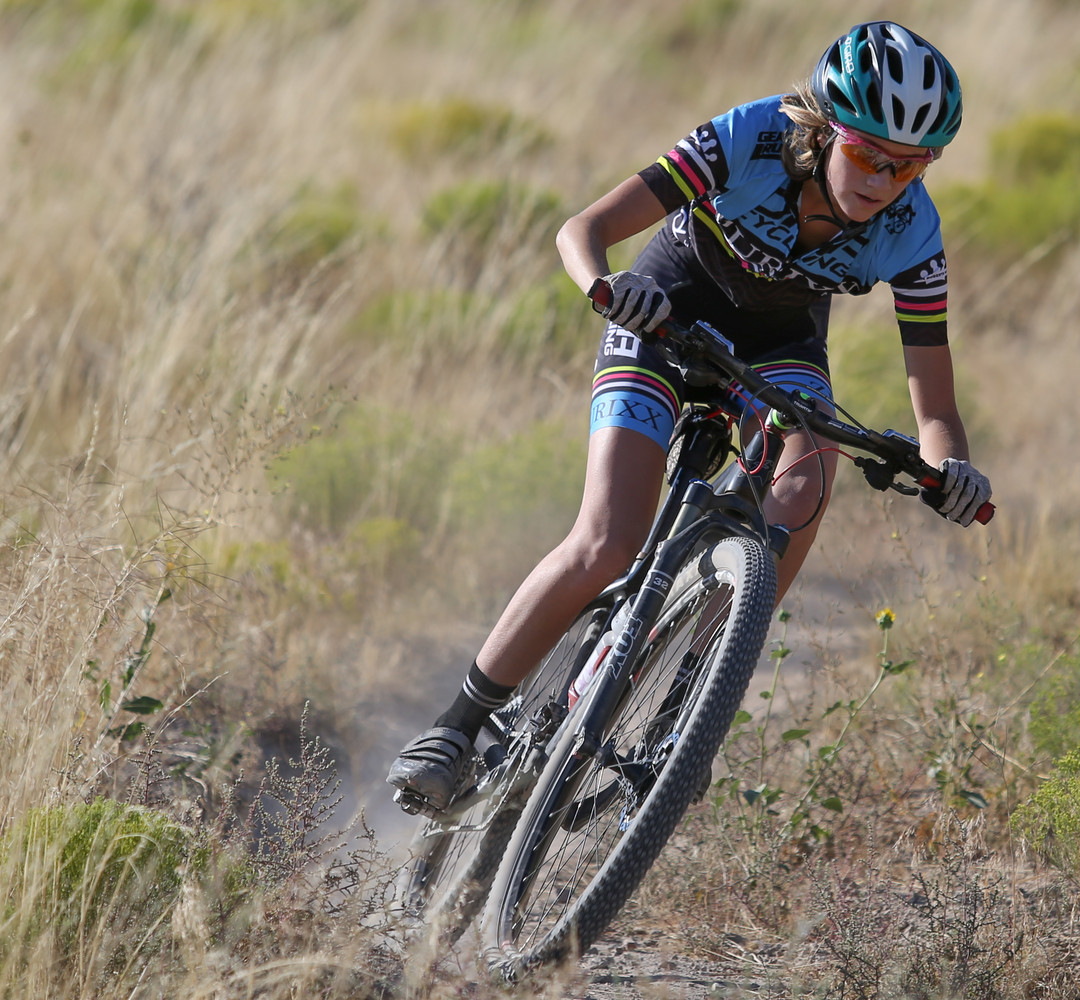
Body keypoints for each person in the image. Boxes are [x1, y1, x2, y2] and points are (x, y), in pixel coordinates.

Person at [387, 20, 992, 810]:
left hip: (781, 349)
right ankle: (459, 726)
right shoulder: (751, 137)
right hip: (664, 313)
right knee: (608, 540)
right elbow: (583, 230)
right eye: (869, 154)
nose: (885, 181)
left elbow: (935, 408)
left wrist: (950, 469)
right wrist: (606, 286)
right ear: (823, 129)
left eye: (911, 165)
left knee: (811, 473)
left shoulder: (914, 230)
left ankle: (690, 710)